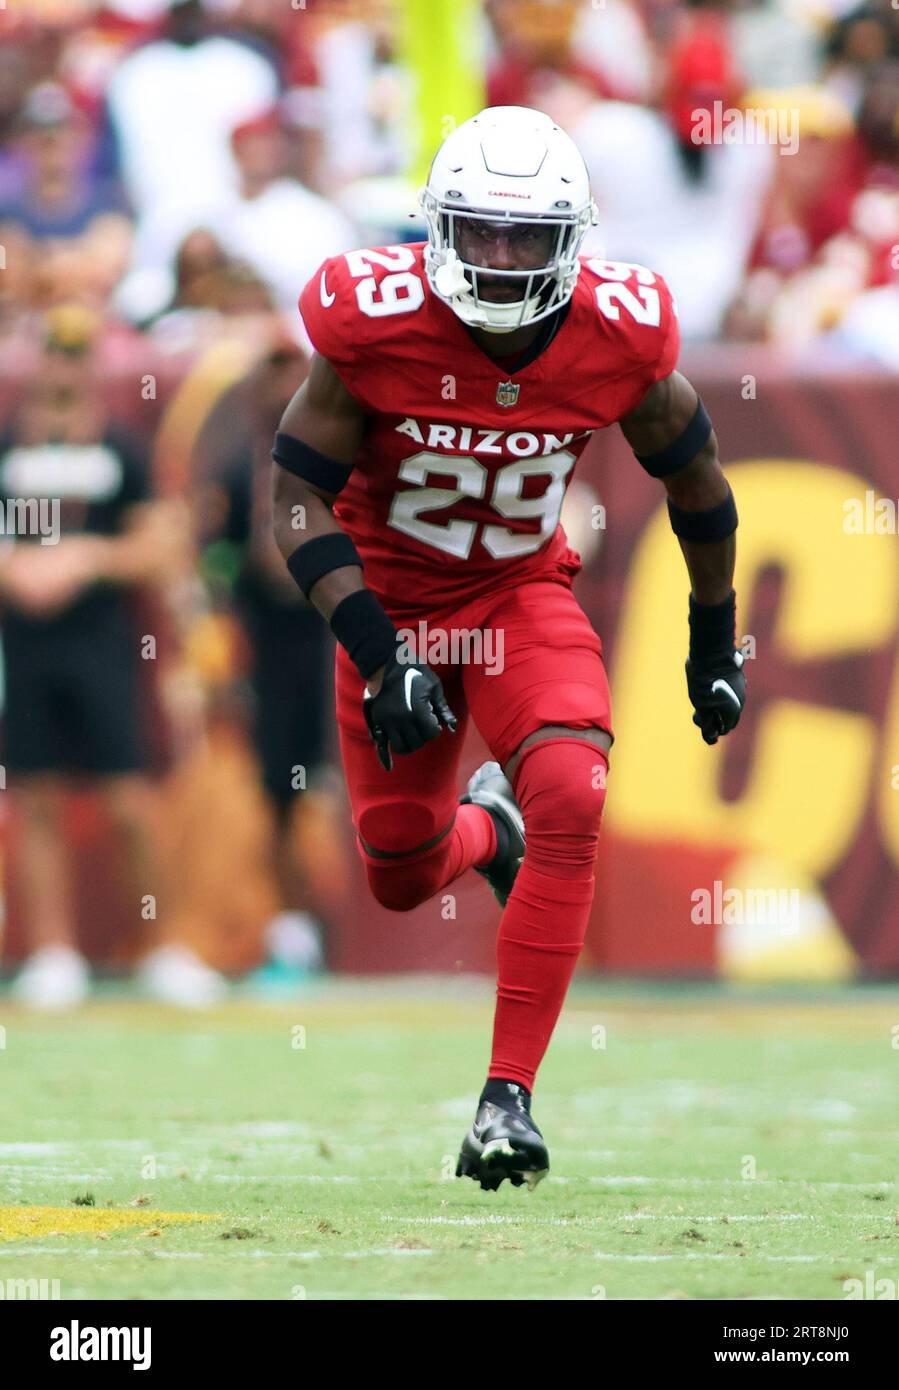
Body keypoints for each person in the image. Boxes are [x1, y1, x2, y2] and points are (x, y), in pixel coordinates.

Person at [271, 106, 746, 1191]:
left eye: (524, 237)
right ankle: (491, 832)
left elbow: (699, 489)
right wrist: (376, 646)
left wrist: (712, 641)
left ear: (570, 241)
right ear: (437, 227)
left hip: (514, 593)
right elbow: (294, 496)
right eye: (478, 232)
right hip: (388, 606)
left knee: (576, 787)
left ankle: (506, 1099)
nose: (496, 259)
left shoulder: (618, 333)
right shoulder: (373, 319)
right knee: (395, 874)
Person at [0, 308, 225, 1010]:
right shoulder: (9, 446)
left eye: (77, 354)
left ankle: (168, 948)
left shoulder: (122, 450)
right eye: (55, 353)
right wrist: (16, 565)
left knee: (130, 799)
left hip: (102, 646)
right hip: (23, 646)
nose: (65, 367)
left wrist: (87, 558)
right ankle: (53, 952)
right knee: (34, 798)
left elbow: (160, 548)